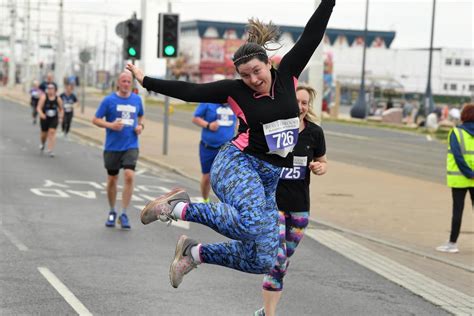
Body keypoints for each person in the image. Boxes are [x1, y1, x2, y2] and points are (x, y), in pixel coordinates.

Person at [126, 0, 335, 289]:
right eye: (245, 75)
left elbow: (312, 35)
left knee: (264, 257)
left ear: (268, 63)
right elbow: (190, 91)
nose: (252, 80)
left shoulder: (288, 75)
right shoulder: (235, 91)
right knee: (249, 223)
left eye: (256, 71)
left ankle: (194, 253)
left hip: (268, 178)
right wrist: (147, 80)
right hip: (237, 163)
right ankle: (175, 208)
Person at [254, 85, 327, 316]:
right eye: (297, 101)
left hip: (300, 208)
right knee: (278, 259)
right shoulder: (273, 129)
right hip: (273, 205)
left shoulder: (315, 133)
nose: (301, 107)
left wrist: (319, 167)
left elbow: (323, 161)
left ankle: (265, 312)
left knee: (282, 265)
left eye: (305, 103)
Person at [92, 72, 144, 230]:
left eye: (129, 81)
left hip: (131, 145)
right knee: (112, 180)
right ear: (118, 83)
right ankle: (112, 210)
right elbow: (95, 119)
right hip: (112, 146)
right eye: (124, 81)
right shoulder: (109, 100)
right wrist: (110, 125)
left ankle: (124, 213)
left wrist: (140, 126)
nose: (126, 84)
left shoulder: (137, 99)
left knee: (129, 176)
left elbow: (141, 116)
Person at [436, 103, 474, 253]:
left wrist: (469, 173)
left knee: (457, 211)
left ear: (463, 116)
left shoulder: (456, 133)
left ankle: (452, 244)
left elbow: (458, 157)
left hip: (459, 179)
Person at [192, 102, 236, 203]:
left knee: (226, 177)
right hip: (208, 147)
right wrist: (208, 125)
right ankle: (205, 200)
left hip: (226, 149)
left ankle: (225, 203)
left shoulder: (234, 103)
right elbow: (195, 118)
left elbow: (239, 120)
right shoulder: (208, 102)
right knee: (207, 177)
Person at [36, 83, 63, 157]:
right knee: (44, 134)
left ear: (55, 90)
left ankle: (50, 150)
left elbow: (61, 109)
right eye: (49, 89)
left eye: (52, 89)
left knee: (52, 132)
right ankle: (42, 143)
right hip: (45, 118)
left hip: (54, 118)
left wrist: (60, 117)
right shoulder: (44, 97)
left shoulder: (58, 99)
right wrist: (41, 114)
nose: (50, 90)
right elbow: (38, 107)